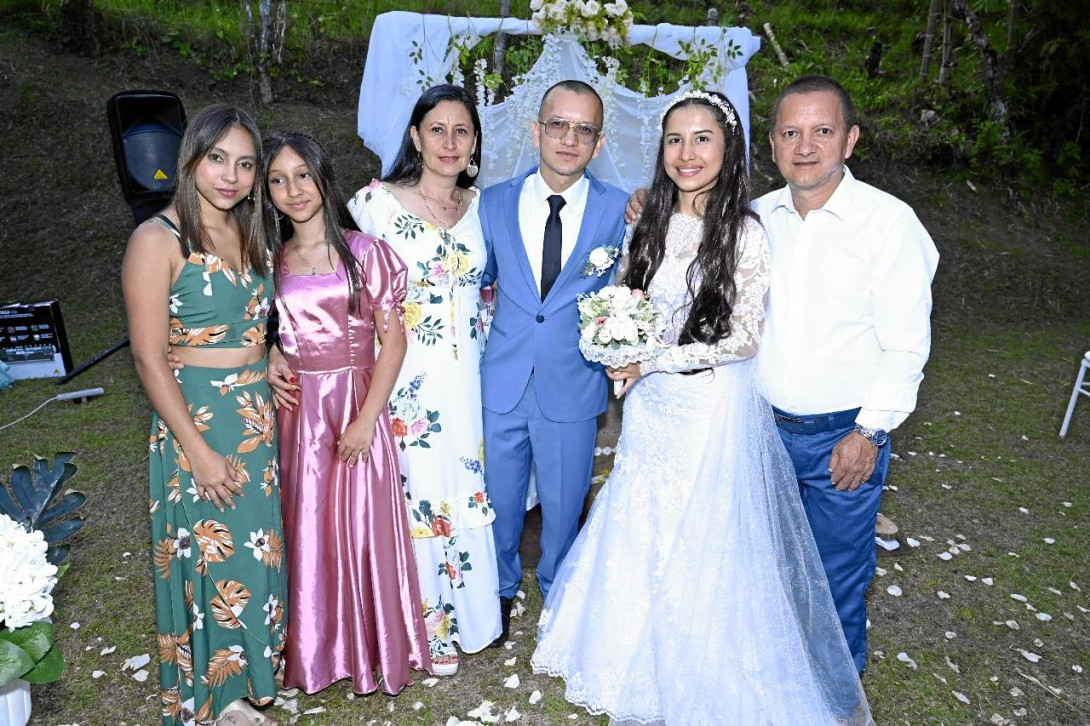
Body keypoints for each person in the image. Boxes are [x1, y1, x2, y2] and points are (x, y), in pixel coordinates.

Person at [531, 91, 872, 725]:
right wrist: (615, 340)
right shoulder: (647, 221)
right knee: (643, 512)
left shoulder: (745, 231)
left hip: (707, 407)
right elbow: (626, 298)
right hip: (650, 408)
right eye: (674, 140)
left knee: (701, 527)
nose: (686, 153)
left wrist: (652, 359)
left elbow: (742, 339)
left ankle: (698, 661)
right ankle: (625, 651)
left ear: (729, 148)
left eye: (702, 139)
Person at [755, 75, 938, 672]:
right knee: (768, 567)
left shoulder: (888, 223)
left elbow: (906, 345)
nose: (805, 146)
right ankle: (778, 682)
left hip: (843, 436)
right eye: (791, 133)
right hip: (761, 431)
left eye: (822, 131)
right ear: (773, 144)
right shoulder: (755, 218)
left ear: (850, 139)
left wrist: (869, 431)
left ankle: (835, 695)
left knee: (837, 576)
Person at [123, 104, 285, 726]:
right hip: (198, 420)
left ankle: (252, 675)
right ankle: (219, 698)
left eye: (245, 164)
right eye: (217, 159)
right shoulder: (156, 240)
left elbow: (253, 319)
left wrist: (269, 353)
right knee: (211, 556)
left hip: (254, 417)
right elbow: (149, 356)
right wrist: (196, 450)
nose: (230, 176)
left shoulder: (251, 233)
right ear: (190, 158)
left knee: (253, 552)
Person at [260, 131, 432, 694]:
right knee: (308, 528)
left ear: (323, 178)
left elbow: (395, 341)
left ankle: (370, 648)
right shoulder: (270, 261)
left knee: (360, 529)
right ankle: (316, 652)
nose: (294, 190)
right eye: (278, 180)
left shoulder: (366, 253)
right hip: (298, 415)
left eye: (302, 175)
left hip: (356, 405)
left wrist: (365, 420)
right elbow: (259, 328)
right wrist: (270, 350)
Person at [345, 85, 501, 674]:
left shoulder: (484, 208)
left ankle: (471, 618)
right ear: (415, 136)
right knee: (414, 489)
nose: (449, 142)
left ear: (475, 142)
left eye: (462, 131)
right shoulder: (373, 205)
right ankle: (420, 626)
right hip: (404, 379)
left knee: (462, 481)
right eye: (437, 129)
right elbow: (326, 281)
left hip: (468, 378)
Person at [478, 80, 629, 643]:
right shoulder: (492, 202)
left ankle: (559, 593)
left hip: (573, 382)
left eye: (584, 129)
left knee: (565, 505)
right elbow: (473, 282)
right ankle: (496, 591)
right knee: (497, 499)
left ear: (599, 141)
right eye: (558, 125)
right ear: (536, 130)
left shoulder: (621, 209)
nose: (569, 138)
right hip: (502, 380)